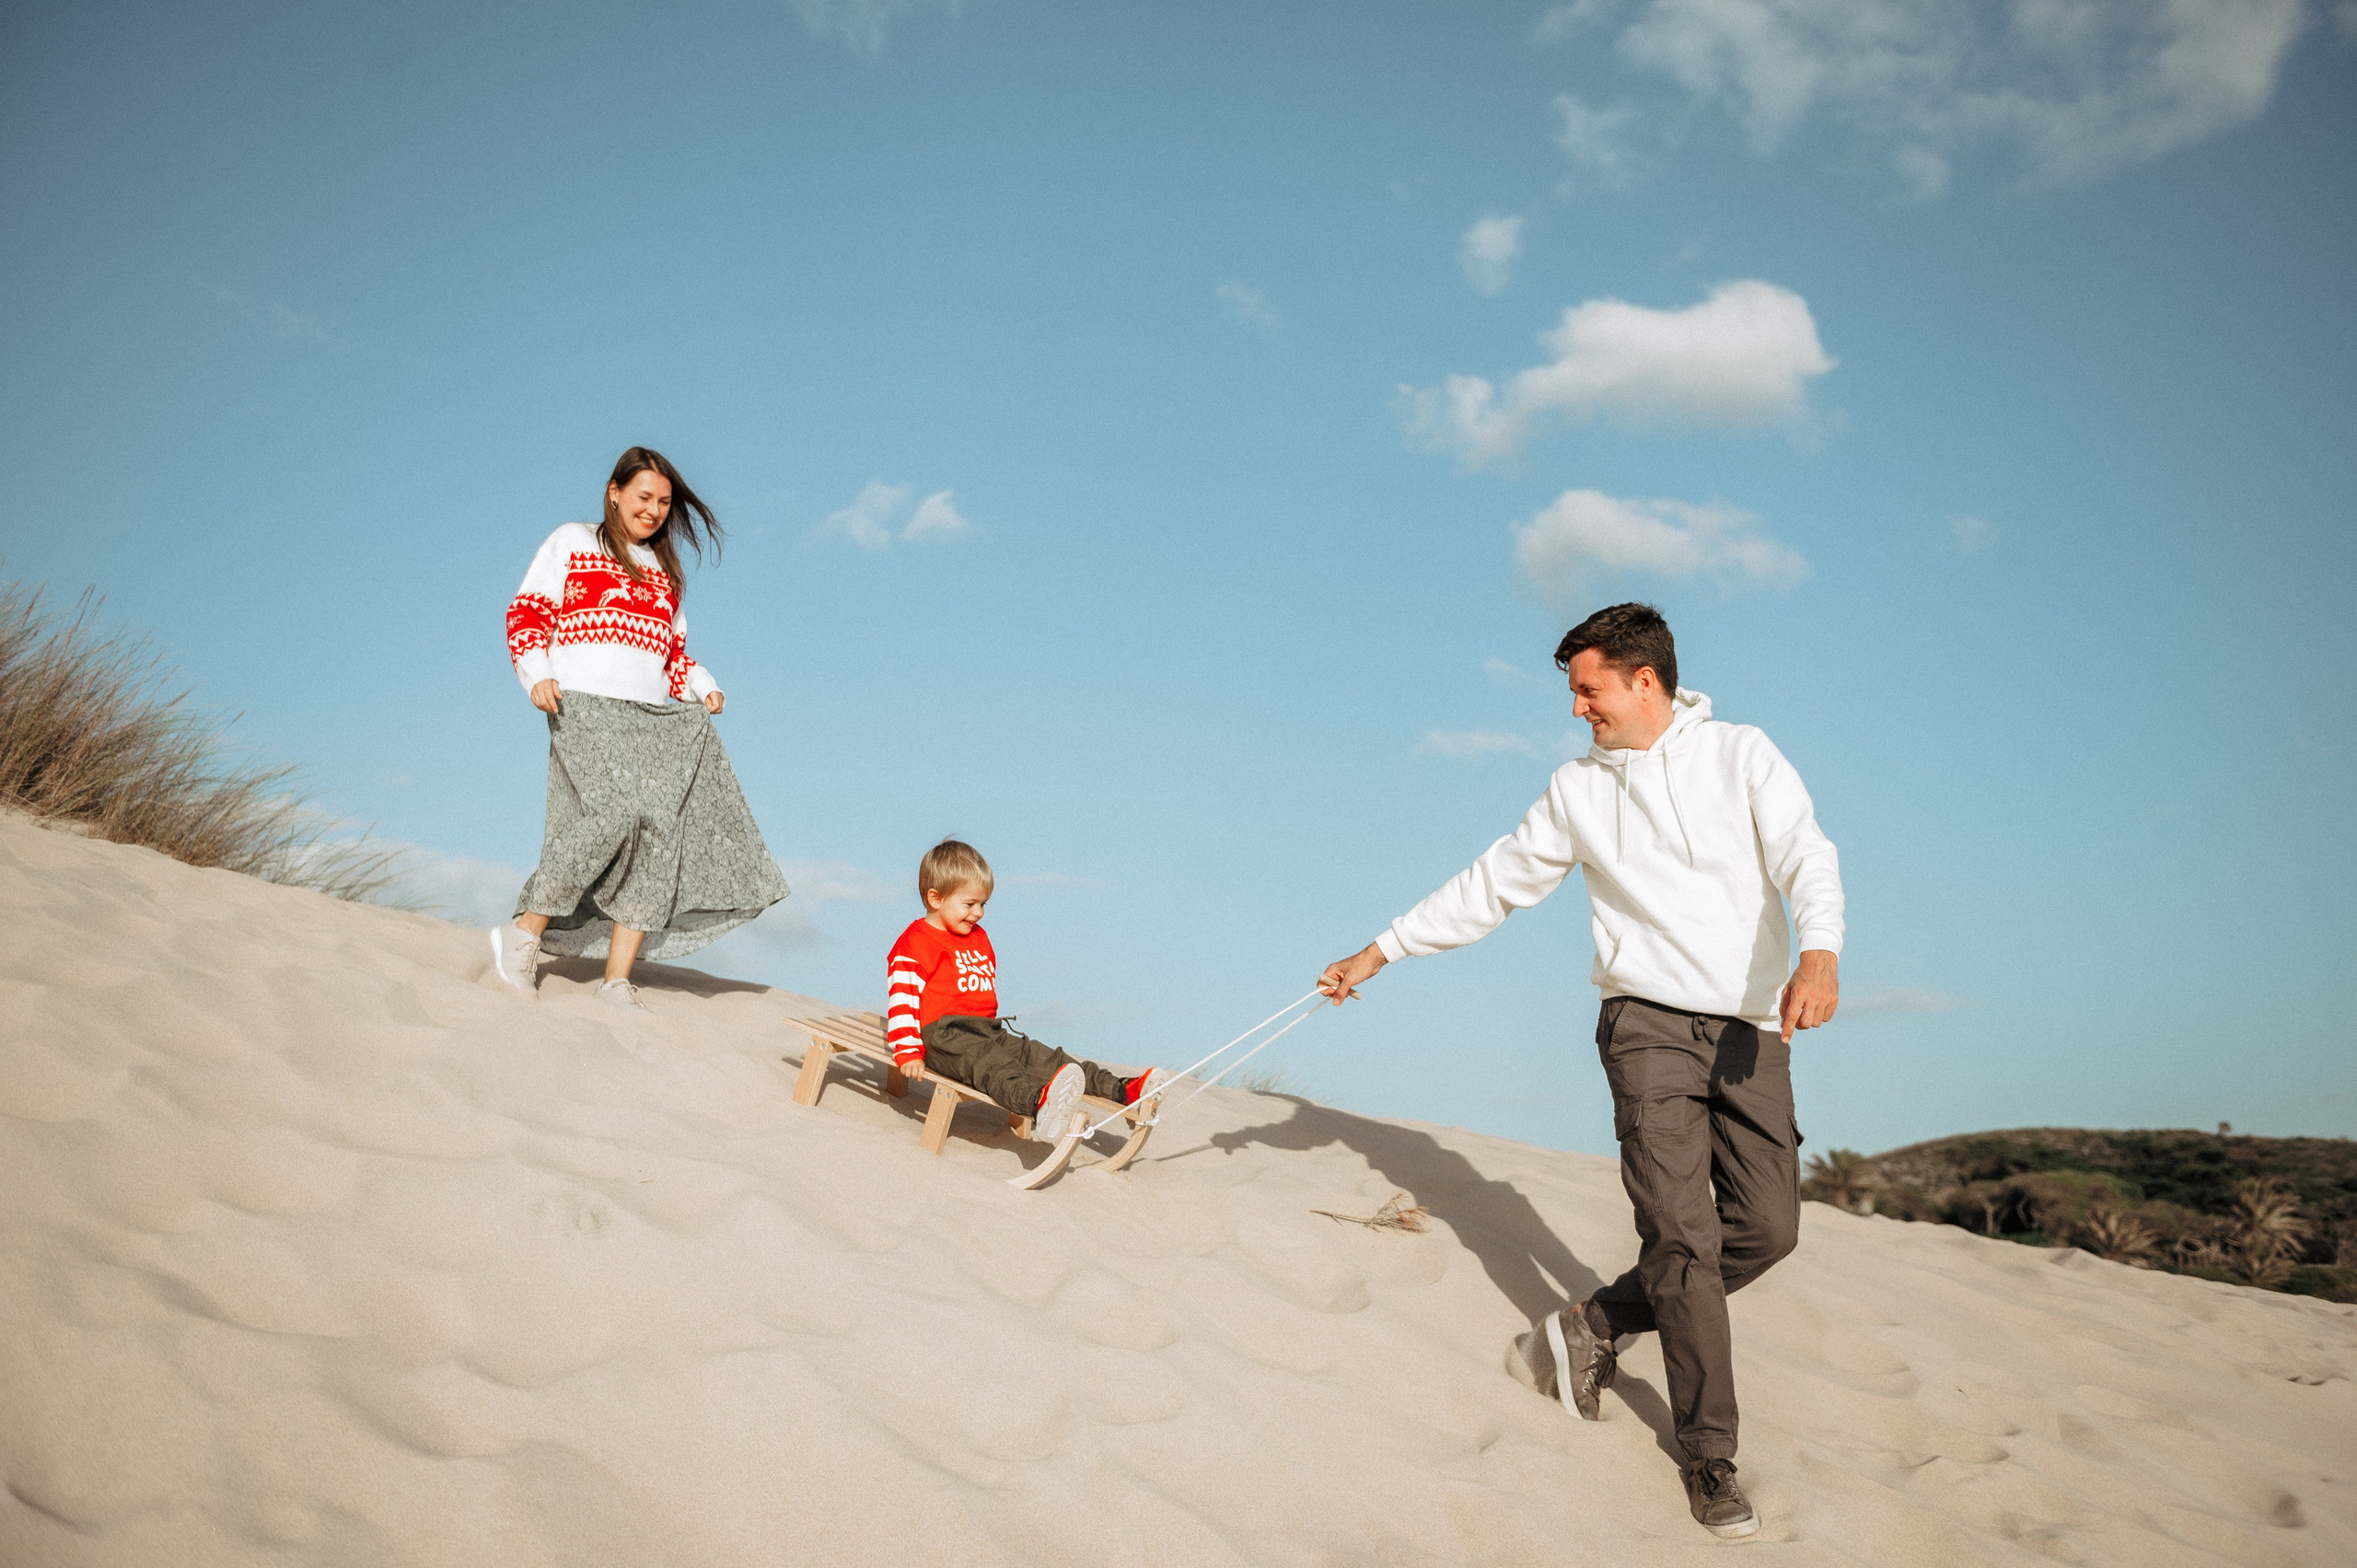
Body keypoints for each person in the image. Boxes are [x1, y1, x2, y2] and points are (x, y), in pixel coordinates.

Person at [1316, 601, 1843, 1541]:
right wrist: (1380, 949)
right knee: (1681, 1238)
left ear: (1645, 680)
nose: (1576, 708)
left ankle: (1593, 1321)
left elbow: (1807, 851)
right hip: (1643, 1026)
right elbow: (1492, 883)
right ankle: (1709, 1455)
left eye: (1587, 688)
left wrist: (1820, 951)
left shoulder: (1741, 754)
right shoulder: (1575, 791)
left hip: (1751, 1027)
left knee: (1766, 1227)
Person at [487, 447, 790, 1011]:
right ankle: (524, 934)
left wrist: (704, 686)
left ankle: (616, 980)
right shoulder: (572, 541)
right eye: (643, 497)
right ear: (614, 491)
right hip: (582, 703)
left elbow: (673, 653)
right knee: (610, 817)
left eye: (664, 503)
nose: (652, 511)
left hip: (653, 716)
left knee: (658, 834)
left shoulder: (665, 570)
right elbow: (527, 610)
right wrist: (536, 673)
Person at [888, 838, 1169, 1138]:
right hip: (944, 1038)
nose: (979, 912)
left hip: (987, 1030)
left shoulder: (975, 935)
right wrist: (908, 1052)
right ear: (936, 898)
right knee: (993, 1066)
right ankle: (1037, 1103)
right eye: (969, 904)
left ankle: (1122, 1089)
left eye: (983, 904)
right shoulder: (917, 942)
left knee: (1045, 1058)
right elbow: (902, 999)